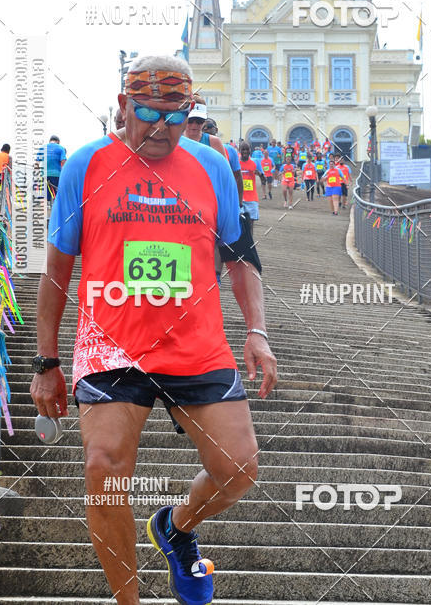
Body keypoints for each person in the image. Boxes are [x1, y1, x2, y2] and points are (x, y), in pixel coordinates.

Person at [31, 54, 276, 605]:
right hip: (112, 345)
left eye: (177, 114)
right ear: (122, 106)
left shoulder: (212, 166)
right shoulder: (86, 166)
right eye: (148, 113)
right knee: (104, 467)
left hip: (196, 345)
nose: (163, 128)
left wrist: (257, 330)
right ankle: (129, 601)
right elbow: (57, 270)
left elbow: (240, 255)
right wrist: (46, 363)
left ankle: (175, 526)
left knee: (238, 469)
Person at [204, 119, 243, 206]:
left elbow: (237, 176)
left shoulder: (230, 150)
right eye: (203, 128)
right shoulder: (197, 149)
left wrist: (239, 201)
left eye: (209, 127)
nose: (206, 129)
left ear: (216, 130)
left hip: (224, 197)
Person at [239, 142, 260, 233]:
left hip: (251, 198)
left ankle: (250, 245)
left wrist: (260, 174)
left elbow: (264, 179)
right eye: (243, 149)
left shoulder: (255, 163)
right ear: (239, 150)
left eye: (247, 149)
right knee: (239, 224)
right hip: (238, 198)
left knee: (250, 224)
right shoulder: (236, 163)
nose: (245, 151)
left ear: (250, 150)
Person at [43, 135, 67, 204]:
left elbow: (37, 163)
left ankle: (47, 205)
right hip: (57, 174)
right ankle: (55, 207)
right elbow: (63, 162)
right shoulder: (61, 148)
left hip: (45, 174)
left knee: (47, 192)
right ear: (58, 142)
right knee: (57, 192)